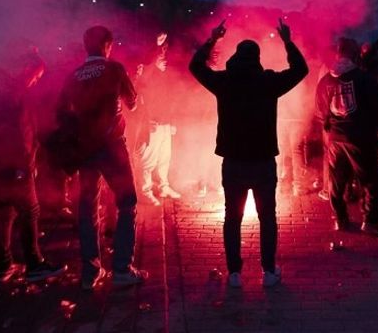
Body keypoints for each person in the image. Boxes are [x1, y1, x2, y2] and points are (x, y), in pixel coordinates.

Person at [189, 19, 308, 288]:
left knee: (232, 217)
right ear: (256, 58)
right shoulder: (268, 82)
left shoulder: (224, 81)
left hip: (233, 163)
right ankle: (268, 271)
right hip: (263, 161)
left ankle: (234, 273)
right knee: (267, 217)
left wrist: (212, 40)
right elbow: (301, 69)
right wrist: (287, 41)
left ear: (235, 57)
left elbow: (195, 67)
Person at [57, 26, 147, 290]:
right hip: (112, 147)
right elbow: (132, 102)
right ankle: (121, 268)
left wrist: (79, 133)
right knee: (127, 202)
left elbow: (61, 113)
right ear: (108, 45)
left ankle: (90, 271)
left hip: (84, 149)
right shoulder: (114, 69)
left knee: (87, 207)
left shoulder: (73, 76)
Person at [0, 51, 64, 283]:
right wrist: (27, 163)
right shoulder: (17, 95)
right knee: (30, 212)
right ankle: (35, 264)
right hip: (15, 165)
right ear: (25, 69)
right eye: (35, 76)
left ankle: (3, 266)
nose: (36, 81)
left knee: (4, 214)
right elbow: (21, 134)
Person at [315, 38, 378, 235]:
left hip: (335, 139)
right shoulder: (365, 79)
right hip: (360, 138)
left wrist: (330, 125)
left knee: (336, 182)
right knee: (371, 180)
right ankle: (370, 221)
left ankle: (341, 219)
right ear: (354, 54)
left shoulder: (325, 80)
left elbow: (320, 111)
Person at [138, 32, 182, 205]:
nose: (163, 56)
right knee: (148, 160)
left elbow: (171, 97)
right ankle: (145, 190)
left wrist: (172, 121)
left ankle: (164, 186)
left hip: (164, 122)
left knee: (165, 158)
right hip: (152, 123)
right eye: (159, 53)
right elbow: (140, 90)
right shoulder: (145, 71)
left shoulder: (165, 73)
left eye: (164, 51)